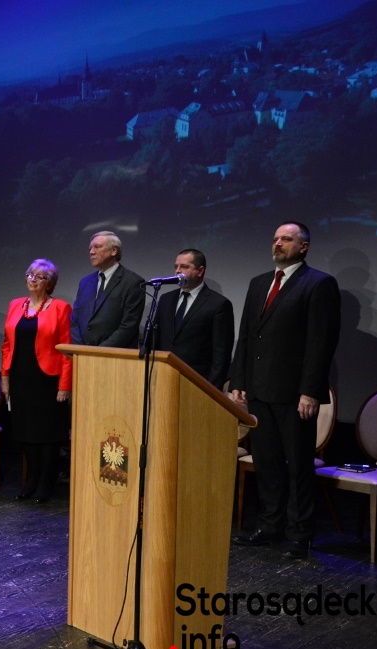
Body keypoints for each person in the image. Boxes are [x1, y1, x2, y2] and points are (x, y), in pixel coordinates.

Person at [230, 222, 340, 560]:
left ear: (303, 247)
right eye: (276, 238)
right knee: (267, 464)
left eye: (287, 239)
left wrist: (310, 391)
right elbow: (247, 336)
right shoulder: (259, 282)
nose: (278, 244)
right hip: (259, 390)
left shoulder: (318, 283)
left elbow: (321, 342)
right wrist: (239, 381)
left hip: (294, 395)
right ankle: (269, 526)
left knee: (298, 466)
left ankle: (299, 534)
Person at [1, 259, 72, 503]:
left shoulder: (61, 308)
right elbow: (7, 345)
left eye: (40, 276)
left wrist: (65, 385)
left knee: (47, 435)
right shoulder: (15, 305)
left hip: (48, 380)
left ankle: (45, 484)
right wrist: (5, 377)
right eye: (30, 274)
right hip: (21, 379)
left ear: (50, 283)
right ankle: (30, 481)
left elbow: (67, 350)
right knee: (25, 433)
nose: (33, 279)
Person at [151, 249, 234, 390]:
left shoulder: (218, 304)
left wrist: (211, 390)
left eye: (184, 267)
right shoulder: (166, 299)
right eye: (176, 266)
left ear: (200, 271)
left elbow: (221, 354)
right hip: (163, 379)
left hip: (197, 383)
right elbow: (155, 340)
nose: (177, 271)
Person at [70, 230, 145, 348]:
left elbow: (128, 326)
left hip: (114, 355)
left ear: (114, 250)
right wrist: (81, 349)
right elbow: (75, 319)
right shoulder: (85, 282)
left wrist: (98, 352)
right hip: (83, 354)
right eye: (90, 248)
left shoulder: (133, 282)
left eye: (97, 247)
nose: (91, 252)